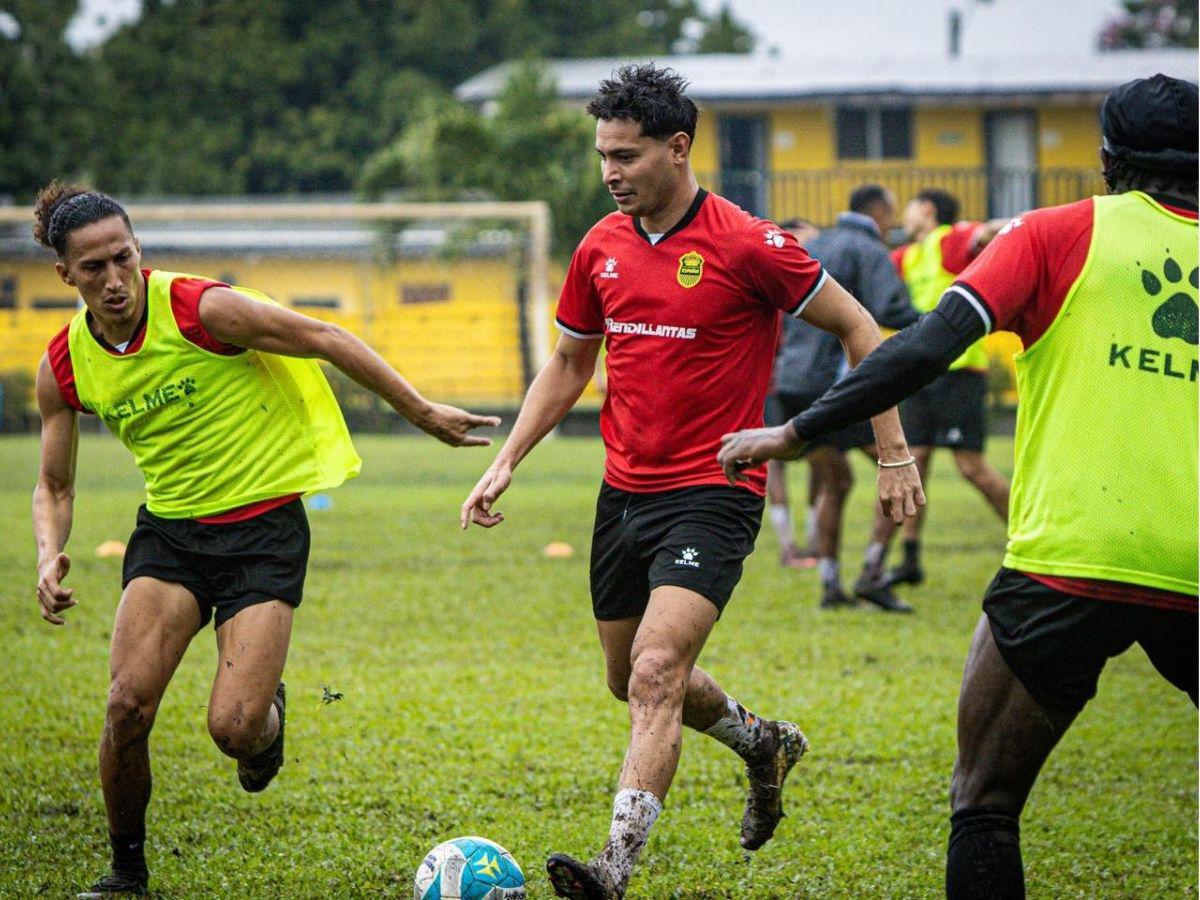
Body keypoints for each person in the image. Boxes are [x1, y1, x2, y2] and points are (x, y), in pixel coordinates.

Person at [717, 73, 1198, 898]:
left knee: (984, 803)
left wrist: (796, 431)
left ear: (1108, 159)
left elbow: (920, 346)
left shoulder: (1056, 234)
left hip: (1067, 564)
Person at [460, 64, 923, 900]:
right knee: (626, 676)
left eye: (628, 156)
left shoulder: (747, 243)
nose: (611, 172)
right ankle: (759, 741)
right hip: (622, 492)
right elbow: (569, 363)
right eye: (603, 154)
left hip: (716, 490)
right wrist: (505, 461)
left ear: (679, 148)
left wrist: (892, 451)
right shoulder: (600, 245)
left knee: (654, 671)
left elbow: (862, 327)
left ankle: (614, 868)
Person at [30, 183, 499, 899]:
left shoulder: (199, 309)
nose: (114, 279)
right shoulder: (64, 363)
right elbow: (55, 486)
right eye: (93, 268)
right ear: (65, 274)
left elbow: (324, 337)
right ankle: (127, 870)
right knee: (126, 705)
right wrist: (47, 551)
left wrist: (421, 412)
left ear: (138, 249)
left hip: (263, 532)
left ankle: (266, 720)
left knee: (235, 729)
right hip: (171, 536)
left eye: (122, 257)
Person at [768, 186, 919, 610]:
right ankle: (873, 572)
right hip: (839, 386)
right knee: (903, 472)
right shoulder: (867, 249)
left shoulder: (816, 245)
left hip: (794, 382)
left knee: (836, 480)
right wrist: (940, 324)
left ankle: (831, 584)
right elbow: (892, 309)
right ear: (879, 212)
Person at [868, 189, 1010, 593]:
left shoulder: (949, 239)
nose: (903, 214)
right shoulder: (908, 255)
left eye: (909, 206)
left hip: (960, 371)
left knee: (971, 467)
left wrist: (1013, 228)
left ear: (927, 210)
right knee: (917, 462)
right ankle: (909, 559)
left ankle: (1030, 542)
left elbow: (984, 235)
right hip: (920, 373)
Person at [764, 216, 822, 569]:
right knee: (774, 462)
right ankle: (789, 546)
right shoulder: (770, 279)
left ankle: (814, 543)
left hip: (809, 381)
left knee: (823, 459)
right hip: (773, 384)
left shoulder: (817, 284)